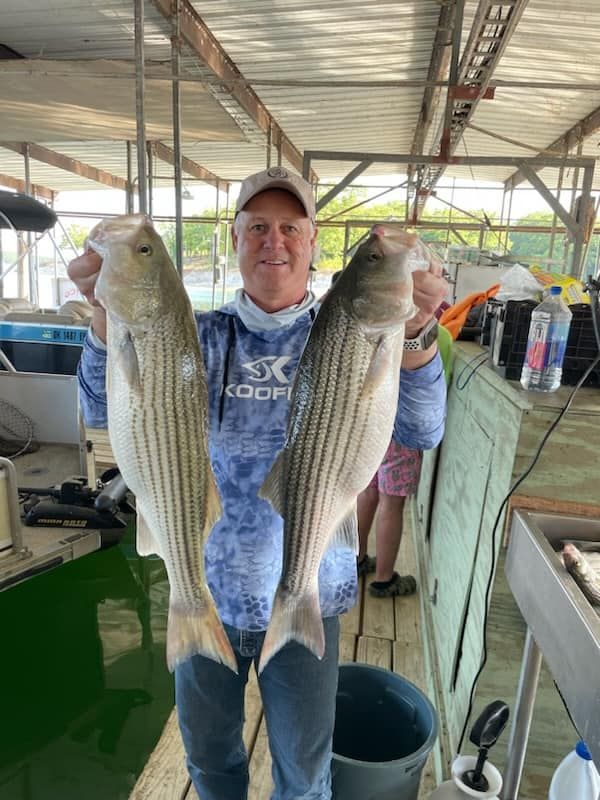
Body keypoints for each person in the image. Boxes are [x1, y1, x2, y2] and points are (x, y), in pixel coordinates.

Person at [67, 166, 448, 800]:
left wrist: (414, 332)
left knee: (304, 779)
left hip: (308, 595)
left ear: (312, 240)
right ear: (237, 240)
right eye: (258, 228)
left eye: (290, 227)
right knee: (213, 768)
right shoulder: (199, 335)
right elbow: (101, 411)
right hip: (205, 591)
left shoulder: (346, 330)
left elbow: (422, 427)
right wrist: (106, 327)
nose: (275, 241)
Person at [356, 441, 422, 597]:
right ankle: (384, 580)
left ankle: (356, 560)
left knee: (367, 491)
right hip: (401, 434)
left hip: (374, 430)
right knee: (391, 503)